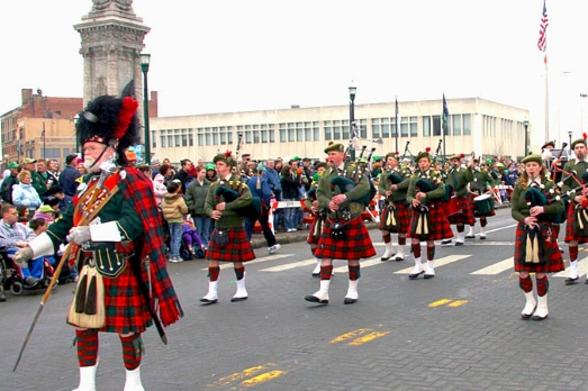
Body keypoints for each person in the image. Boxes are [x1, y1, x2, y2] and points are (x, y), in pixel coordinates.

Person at [14, 94, 183, 391]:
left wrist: (91, 233)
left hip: (120, 266)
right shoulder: (87, 185)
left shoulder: (129, 179)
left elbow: (134, 225)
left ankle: (133, 383)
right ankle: (86, 384)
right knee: (83, 327)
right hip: (89, 268)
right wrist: (31, 250)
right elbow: (63, 225)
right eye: (84, 148)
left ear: (111, 147)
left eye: (91, 148)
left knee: (127, 331)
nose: (85, 154)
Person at [305, 143, 376, 305]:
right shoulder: (325, 175)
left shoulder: (354, 170)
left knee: (353, 258)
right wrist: (328, 203)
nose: (330, 157)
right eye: (329, 154)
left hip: (350, 217)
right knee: (325, 256)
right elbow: (320, 193)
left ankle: (352, 290)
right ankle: (323, 292)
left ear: (342, 155)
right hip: (332, 218)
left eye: (334, 154)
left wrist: (346, 197)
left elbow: (365, 187)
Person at [511, 154, 564, 320]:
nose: (531, 168)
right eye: (528, 166)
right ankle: (529, 301)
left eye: (534, 165)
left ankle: (543, 305)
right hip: (525, 229)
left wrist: (543, 209)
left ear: (540, 167)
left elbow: (559, 206)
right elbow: (514, 210)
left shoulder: (548, 185)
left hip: (543, 230)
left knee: (540, 272)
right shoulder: (520, 186)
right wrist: (524, 219)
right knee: (523, 272)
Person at [201, 151, 256, 304]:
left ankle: (241, 289)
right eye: (216, 165)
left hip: (235, 226)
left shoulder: (238, 183)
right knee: (212, 259)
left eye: (221, 165)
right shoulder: (213, 186)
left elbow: (247, 199)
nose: (217, 168)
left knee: (237, 260)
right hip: (219, 227)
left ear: (229, 167)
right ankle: (212, 292)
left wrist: (228, 205)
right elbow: (207, 204)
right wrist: (211, 212)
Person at [406, 149, 454, 280]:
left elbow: (442, 191)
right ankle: (418, 265)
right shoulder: (414, 177)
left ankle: (430, 266)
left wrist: (426, 195)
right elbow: (408, 195)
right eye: (421, 162)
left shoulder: (435, 175)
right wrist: (413, 200)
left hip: (432, 209)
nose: (423, 164)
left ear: (429, 163)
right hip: (418, 210)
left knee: (430, 240)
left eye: (425, 161)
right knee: (414, 239)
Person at [562, 135, 588, 285]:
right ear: (574, 150)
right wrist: (573, 196)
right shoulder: (569, 166)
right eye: (576, 148)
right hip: (575, 204)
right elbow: (564, 185)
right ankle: (573, 271)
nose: (579, 150)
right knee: (572, 239)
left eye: (581, 147)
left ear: (586, 149)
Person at [378, 152, 412, 262]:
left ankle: (400, 251)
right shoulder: (384, 174)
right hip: (389, 204)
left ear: (396, 161)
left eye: (391, 159)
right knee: (384, 228)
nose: (389, 161)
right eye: (388, 159)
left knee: (402, 229)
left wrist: (397, 186)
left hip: (401, 202)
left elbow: (409, 181)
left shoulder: (403, 171)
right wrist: (385, 192)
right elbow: (380, 187)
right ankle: (389, 250)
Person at [245, 164, 281, 254]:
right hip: (260, 206)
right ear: (262, 172)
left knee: (248, 226)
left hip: (249, 205)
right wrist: (267, 204)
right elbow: (267, 194)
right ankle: (271, 244)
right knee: (265, 226)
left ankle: (245, 245)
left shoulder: (248, 181)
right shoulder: (262, 181)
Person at [0, 204, 38, 286]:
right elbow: (1, 241)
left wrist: (27, 242)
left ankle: (37, 277)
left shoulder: (20, 226)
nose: (17, 215)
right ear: (6, 215)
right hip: (10, 250)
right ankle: (27, 277)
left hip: (26, 247)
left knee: (38, 250)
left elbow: (32, 234)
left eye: (17, 213)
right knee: (19, 253)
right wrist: (16, 243)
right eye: (14, 214)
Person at [443, 154, 475, 246]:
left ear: (459, 161)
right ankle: (447, 237)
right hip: (450, 196)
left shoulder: (464, 171)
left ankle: (460, 237)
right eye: (452, 161)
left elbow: (469, 179)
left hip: (461, 196)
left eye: (455, 160)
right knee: (447, 218)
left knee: (459, 219)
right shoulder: (449, 172)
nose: (454, 162)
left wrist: (469, 169)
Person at [162, 180, 189, 263]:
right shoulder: (179, 198)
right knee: (177, 237)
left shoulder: (165, 198)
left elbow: (162, 207)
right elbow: (184, 209)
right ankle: (176, 256)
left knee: (172, 237)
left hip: (169, 219)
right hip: (177, 218)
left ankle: (172, 255)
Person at [185, 167, 212, 246]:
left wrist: (211, 207)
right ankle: (198, 248)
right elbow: (188, 198)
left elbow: (212, 196)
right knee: (198, 232)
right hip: (197, 212)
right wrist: (193, 206)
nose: (204, 174)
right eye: (202, 172)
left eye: (205, 172)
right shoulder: (191, 185)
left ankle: (206, 247)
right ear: (197, 173)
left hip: (207, 212)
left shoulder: (209, 184)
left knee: (206, 232)